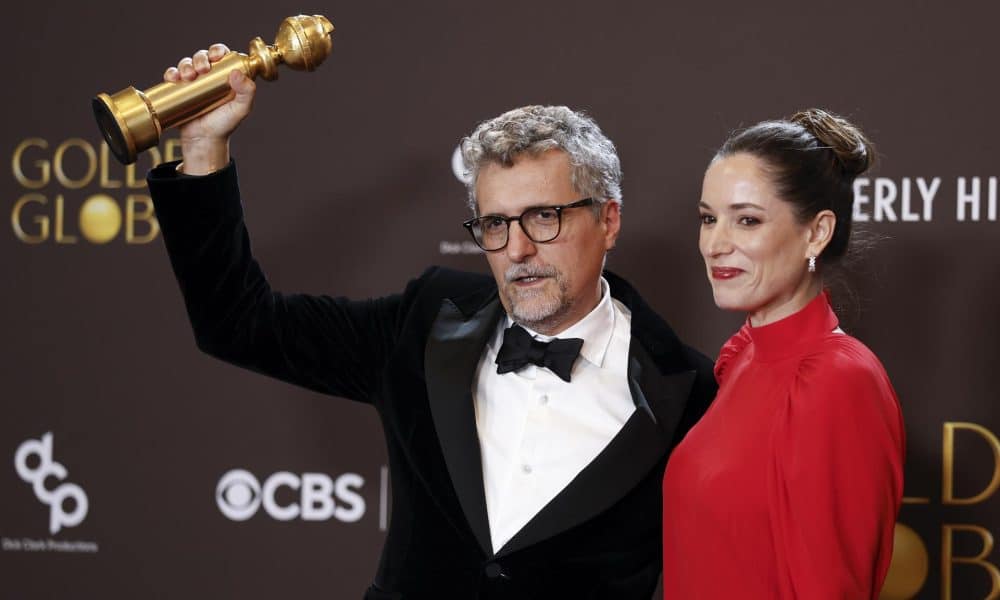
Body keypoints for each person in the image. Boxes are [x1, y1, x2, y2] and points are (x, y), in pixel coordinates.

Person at [148, 45, 716, 599]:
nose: (517, 249)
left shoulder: (690, 394)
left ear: (609, 220)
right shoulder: (424, 324)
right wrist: (204, 147)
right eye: (494, 224)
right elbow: (237, 321)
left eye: (544, 217)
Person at [661, 108, 905, 598]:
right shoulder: (742, 356)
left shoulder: (838, 380)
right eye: (709, 219)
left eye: (746, 220)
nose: (715, 243)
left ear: (816, 232)